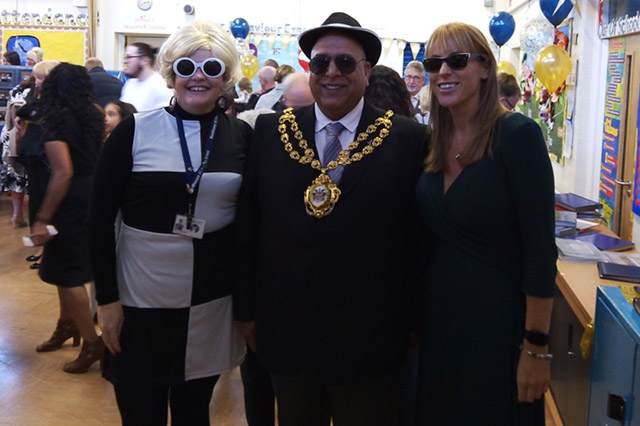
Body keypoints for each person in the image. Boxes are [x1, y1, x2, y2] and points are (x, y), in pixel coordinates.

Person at [235, 11, 429, 426]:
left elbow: (416, 240)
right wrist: (247, 312)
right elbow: (250, 228)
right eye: (321, 62)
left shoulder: (405, 138)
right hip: (288, 333)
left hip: (371, 337)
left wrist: (413, 321)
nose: (332, 73)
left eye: (345, 63)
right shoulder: (271, 133)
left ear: (367, 70)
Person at [88, 21, 250, 425]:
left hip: (211, 301)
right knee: (140, 412)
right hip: (139, 297)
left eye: (212, 68)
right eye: (186, 66)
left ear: (226, 77)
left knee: (195, 413)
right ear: (171, 72)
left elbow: (252, 226)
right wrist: (105, 301)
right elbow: (98, 219)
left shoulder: (242, 137)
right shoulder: (133, 130)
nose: (198, 76)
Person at [415, 22, 556, 425]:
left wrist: (535, 347)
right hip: (440, 320)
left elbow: (541, 252)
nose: (443, 71)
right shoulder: (434, 140)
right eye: (434, 62)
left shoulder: (517, 135)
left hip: (500, 326)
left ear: (484, 69)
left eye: (456, 61)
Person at [27, 62, 104, 374]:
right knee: (65, 267)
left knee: (69, 272)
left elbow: (63, 172)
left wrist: (43, 216)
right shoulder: (95, 113)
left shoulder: (56, 120)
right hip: (92, 194)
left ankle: (91, 341)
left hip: (68, 199)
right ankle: (67, 324)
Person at [119, 42, 173, 112]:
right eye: (125, 57)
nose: (125, 61)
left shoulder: (160, 86)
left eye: (129, 57)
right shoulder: (129, 84)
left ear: (145, 60)